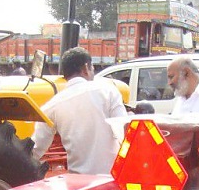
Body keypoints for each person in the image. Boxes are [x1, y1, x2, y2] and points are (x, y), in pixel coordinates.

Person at [31, 47, 128, 176]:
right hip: (111, 178)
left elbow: (36, 150)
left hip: (78, 185)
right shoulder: (108, 91)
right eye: (93, 67)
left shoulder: (52, 106)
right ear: (86, 68)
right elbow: (124, 131)